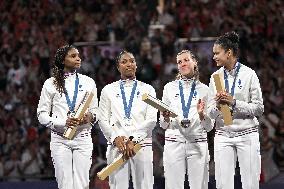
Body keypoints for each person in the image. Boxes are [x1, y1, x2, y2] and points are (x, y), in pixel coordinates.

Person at [207, 31, 264, 189]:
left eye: (217, 53)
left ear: (229, 52)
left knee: (250, 185)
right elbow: (210, 113)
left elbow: (259, 108)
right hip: (223, 135)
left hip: (247, 134)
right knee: (223, 185)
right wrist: (217, 107)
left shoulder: (249, 74)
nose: (214, 57)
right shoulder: (215, 78)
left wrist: (234, 102)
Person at [37, 45, 98, 189]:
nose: (78, 58)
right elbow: (41, 114)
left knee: (82, 184)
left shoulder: (89, 82)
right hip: (60, 138)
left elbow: (96, 111)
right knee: (65, 184)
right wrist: (63, 122)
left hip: (83, 137)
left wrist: (90, 116)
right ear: (63, 60)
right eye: (73, 56)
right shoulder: (50, 83)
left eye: (78, 55)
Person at [98, 50, 157, 189]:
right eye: (124, 62)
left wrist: (134, 139)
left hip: (141, 145)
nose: (129, 64)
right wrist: (115, 138)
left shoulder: (148, 89)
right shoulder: (108, 90)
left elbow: (152, 119)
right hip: (118, 146)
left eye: (132, 61)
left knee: (145, 186)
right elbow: (102, 119)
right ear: (118, 67)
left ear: (136, 65)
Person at [160, 50, 213, 189]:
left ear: (194, 62)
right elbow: (163, 125)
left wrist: (202, 115)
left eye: (186, 60)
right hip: (174, 142)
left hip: (197, 142)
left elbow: (209, 127)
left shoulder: (206, 90)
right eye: (179, 62)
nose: (183, 63)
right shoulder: (169, 88)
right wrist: (165, 117)